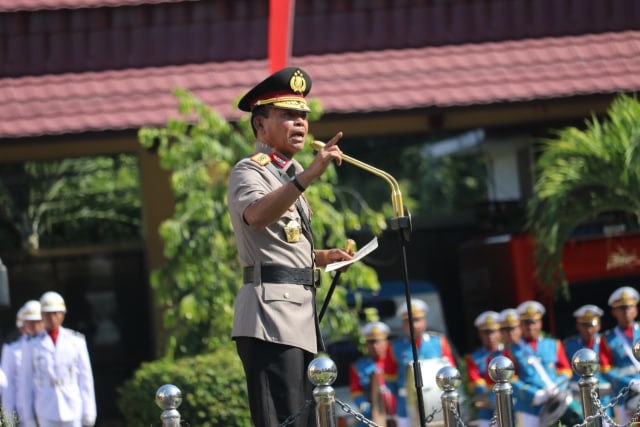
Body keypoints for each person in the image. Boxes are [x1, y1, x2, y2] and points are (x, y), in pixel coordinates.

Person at [228, 66, 353, 427]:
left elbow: (282, 244)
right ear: (260, 126)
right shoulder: (249, 171)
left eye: (303, 116)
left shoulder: (288, 172)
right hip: (268, 317)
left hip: (300, 316)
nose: (300, 123)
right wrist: (308, 176)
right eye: (288, 115)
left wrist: (324, 257)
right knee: (281, 420)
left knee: (307, 421)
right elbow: (255, 217)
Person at [20, 291, 96, 427]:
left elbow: (85, 378)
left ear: (62, 315)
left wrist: (89, 410)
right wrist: (28, 417)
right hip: (46, 408)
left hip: (72, 406)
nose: (51, 317)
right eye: (47, 314)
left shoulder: (76, 341)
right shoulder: (31, 345)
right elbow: (26, 382)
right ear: (41, 315)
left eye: (55, 313)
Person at [502, 300, 575, 427]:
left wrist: (558, 386)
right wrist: (533, 394)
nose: (530, 327)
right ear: (520, 325)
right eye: (526, 323)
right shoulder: (510, 350)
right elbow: (510, 379)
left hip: (555, 403)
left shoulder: (553, 344)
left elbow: (565, 370)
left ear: (540, 323)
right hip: (528, 408)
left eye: (533, 322)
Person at [389, 299, 456, 427]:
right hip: (405, 407)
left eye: (417, 320)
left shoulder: (439, 342)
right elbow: (390, 380)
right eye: (409, 321)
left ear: (424, 321)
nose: (414, 325)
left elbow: (450, 372)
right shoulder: (394, 347)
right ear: (403, 325)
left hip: (436, 403)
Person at [600, 286, 640, 424]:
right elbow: (606, 370)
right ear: (614, 312)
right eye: (622, 309)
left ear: (636, 310)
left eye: (629, 307)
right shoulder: (607, 339)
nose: (626, 312)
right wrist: (630, 383)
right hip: (623, 396)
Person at [2, 300, 43, 425]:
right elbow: (7, 388)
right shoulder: (12, 349)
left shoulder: (58, 344)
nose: (32, 326)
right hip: (24, 413)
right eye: (28, 323)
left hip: (52, 408)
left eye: (37, 322)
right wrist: (8, 421)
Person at [349, 321, 397, 426]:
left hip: (398, 413)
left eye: (378, 341)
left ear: (386, 341)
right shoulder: (358, 367)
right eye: (371, 342)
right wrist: (364, 405)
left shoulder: (395, 362)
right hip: (372, 416)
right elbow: (356, 391)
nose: (375, 346)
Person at [465, 311, 503, 427]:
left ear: (500, 332)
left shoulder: (507, 352)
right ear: (480, 334)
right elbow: (476, 383)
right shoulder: (473, 358)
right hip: (486, 409)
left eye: (493, 332)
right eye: (486, 333)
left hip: (510, 404)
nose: (490, 336)